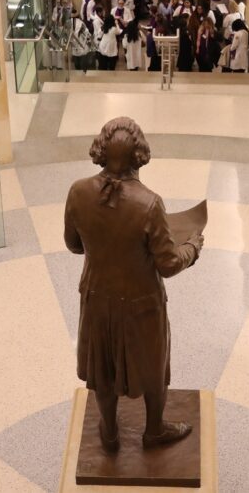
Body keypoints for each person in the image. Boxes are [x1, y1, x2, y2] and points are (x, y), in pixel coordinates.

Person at [64, 117, 204, 452]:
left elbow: (74, 245)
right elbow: (168, 265)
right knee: (153, 364)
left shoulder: (79, 191)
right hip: (142, 302)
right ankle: (153, 430)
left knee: (103, 364)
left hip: (97, 298)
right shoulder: (149, 203)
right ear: (140, 154)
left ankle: (110, 432)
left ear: (100, 149)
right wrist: (192, 248)